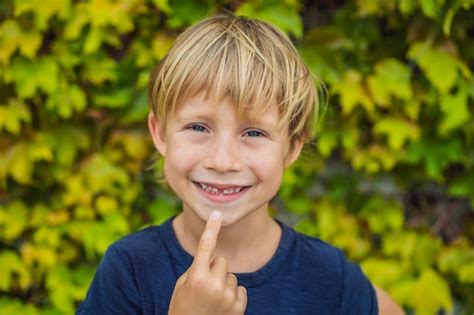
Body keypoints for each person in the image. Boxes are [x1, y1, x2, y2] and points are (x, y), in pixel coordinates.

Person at [77, 12, 404, 314]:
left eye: (254, 132)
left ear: (291, 148)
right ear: (160, 134)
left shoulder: (332, 278)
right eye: (198, 127)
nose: (222, 161)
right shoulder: (129, 269)